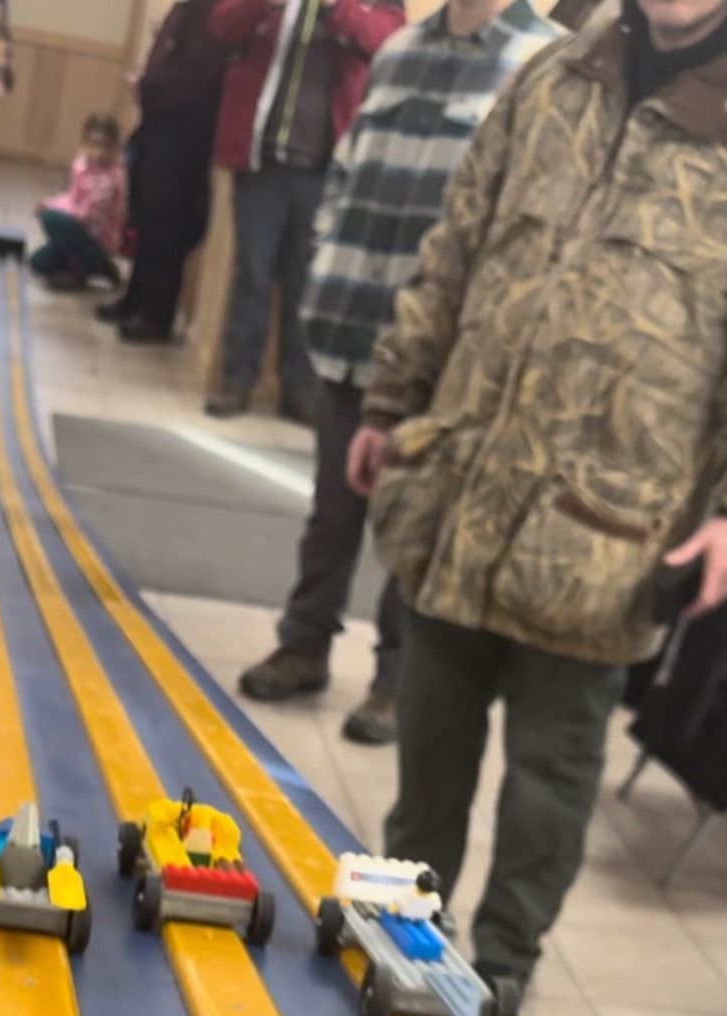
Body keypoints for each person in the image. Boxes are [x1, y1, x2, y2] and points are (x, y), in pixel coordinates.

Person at [348, 0, 727, 1005]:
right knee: (427, 750)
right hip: (461, 493)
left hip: (604, 538)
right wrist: (390, 398)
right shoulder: (552, 76)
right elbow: (454, 246)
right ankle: (401, 937)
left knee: (546, 785)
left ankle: (501, 966)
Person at [238, 0, 560, 740]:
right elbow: (347, 171)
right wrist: (326, 256)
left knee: (416, 521)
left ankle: (394, 680)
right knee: (331, 510)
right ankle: (302, 643)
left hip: (445, 353)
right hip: (352, 320)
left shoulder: (545, 64)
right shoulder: (399, 49)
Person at [205, 0, 404, 424]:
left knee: (308, 281)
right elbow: (221, 25)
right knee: (252, 274)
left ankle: (299, 390)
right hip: (261, 161)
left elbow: (389, 38)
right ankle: (238, 380)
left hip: (326, 169)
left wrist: (338, 8)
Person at [97, 0, 227, 345]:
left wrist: (150, 87)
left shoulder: (213, 12)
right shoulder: (188, 8)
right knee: (145, 217)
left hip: (186, 133)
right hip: (159, 123)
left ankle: (156, 315)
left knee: (166, 226)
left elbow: (196, 75)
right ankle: (135, 299)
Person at [29, 114, 127, 292]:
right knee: (38, 263)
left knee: (52, 219)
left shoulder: (112, 179)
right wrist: (49, 202)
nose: (100, 152)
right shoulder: (82, 165)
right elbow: (71, 197)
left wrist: (51, 211)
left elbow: (88, 215)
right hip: (78, 231)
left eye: (107, 146)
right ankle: (89, 266)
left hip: (96, 239)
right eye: (94, 145)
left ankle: (91, 265)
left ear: (116, 149)